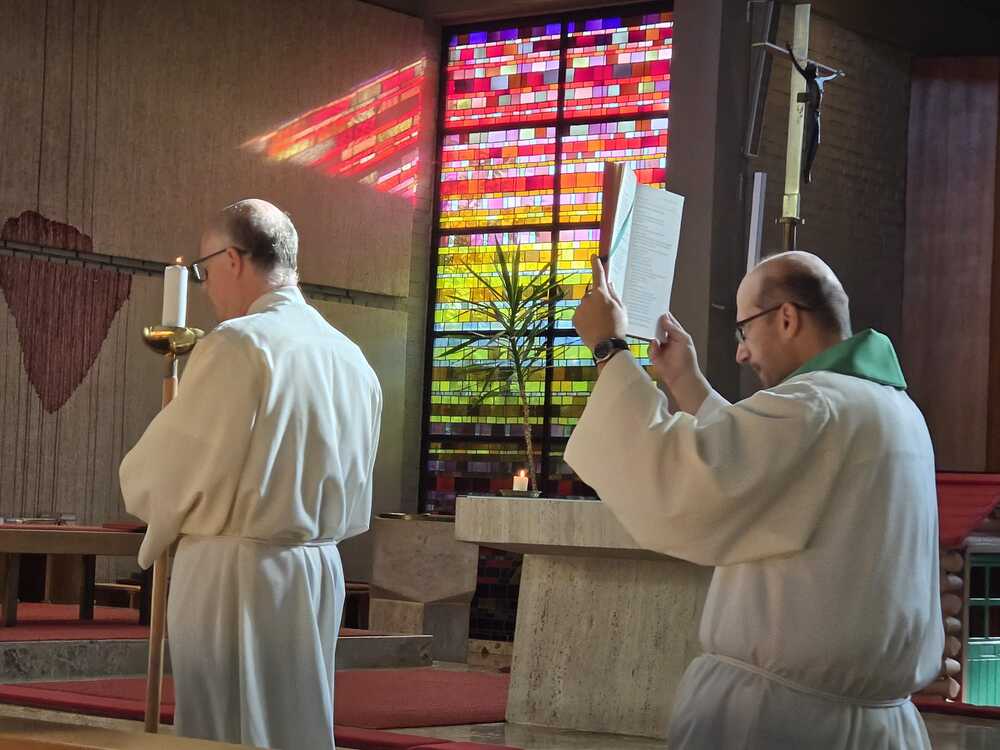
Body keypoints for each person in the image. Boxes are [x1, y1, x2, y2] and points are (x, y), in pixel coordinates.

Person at [567, 251, 943, 749]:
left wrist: (609, 349)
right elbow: (764, 471)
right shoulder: (893, 408)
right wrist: (686, 382)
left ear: (786, 318)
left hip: (782, 722)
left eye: (744, 330)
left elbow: (681, 481)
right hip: (876, 726)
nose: (742, 354)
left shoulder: (816, 406)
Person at [120, 199, 382, 749]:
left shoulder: (239, 343)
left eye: (204, 270)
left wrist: (145, 485)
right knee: (296, 726)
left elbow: (171, 469)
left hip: (235, 573)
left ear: (233, 259)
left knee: (226, 730)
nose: (207, 288)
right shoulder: (350, 356)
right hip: (316, 569)